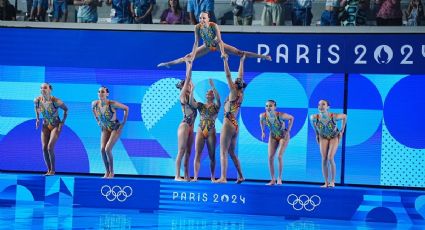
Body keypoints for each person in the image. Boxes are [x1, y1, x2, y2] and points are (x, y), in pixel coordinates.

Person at [157, 11, 272, 68]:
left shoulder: (214, 25)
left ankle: (263, 56)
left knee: (239, 52)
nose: (202, 19)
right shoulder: (197, 27)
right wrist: (192, 55)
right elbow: (196, 42)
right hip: (207, 46)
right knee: (187, 57)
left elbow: (220, 40)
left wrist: (222, 53)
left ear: (208, 18)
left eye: (204, 17)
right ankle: (169, 63)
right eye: (200, 17)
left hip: (217, 45)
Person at [216, 55, 246, 184]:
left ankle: (223, 177)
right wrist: (241, 61)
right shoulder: (240, 94)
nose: (233, 82)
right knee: (232, 152)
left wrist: (225, 61)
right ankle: (241, 176)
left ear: (235, 86)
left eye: (234, 83)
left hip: (228, 123)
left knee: (223, 151)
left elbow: (228, 76)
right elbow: (240, 77)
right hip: (235, 124)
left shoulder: (233, 93)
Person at [92, 86, 129, 178]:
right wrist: (98, 121)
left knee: (107, 149)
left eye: (103, 92)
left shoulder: (112, 104)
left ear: (107, 94)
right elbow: (93, 111)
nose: (100, 93)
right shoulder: (94, 103)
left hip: (115, 128)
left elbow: (126, 108)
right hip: (105, 128)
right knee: (102, 150)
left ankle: (112, 171)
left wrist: (123, 123)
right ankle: (107, 171)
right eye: (99, 92)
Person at [310, 100, 347, 188]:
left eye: (323, 104)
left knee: (330, 157)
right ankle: (326, 182)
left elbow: (345, 116)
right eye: (319, 104)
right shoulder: (314, 117)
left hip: (334, 136)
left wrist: (342, 130)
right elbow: (314, 126)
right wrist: (317, 134)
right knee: (324, 159)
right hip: (323, 137)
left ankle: (332, 181)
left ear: (328, 107)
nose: (321, 106)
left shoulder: (334, 116)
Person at [34, 83, 68, 176]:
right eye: (41, 88)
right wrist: (37, 119)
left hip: (55, 125)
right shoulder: (37, 100)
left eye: (45, 88)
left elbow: (66, 109)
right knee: (44, 148)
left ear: (50, 90)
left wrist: (62, 122)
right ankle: (48, 170)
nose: (42, 89)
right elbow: (36, 108)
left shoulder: (56, 101)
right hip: (45, 125)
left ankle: (53, 170)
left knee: (50, 147)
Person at [190, 79, 221, 182]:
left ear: (212, 95)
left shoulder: (216, 106)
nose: (209, 93)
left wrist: (213, 87)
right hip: (200, 130)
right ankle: (195, 177)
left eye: (210, 92)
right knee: (197, 153)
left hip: (211, 131)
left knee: (212, 155)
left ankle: (212, 177)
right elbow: (191, 103)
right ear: (206, 96)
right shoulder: (200, 105)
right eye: (207, 92)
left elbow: (219, 99)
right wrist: (192, 90)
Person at [259, 100, 293, 185]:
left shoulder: (281, 115)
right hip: (273, 135)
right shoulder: (262, 115)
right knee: (270, 157)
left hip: (283, 135)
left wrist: (288, 130)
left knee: (279, 156)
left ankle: (279, 178)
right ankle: (272, 179)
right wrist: (263, 131)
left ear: (275, 107)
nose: (268, 108)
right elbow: (261, 122)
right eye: (266, 106)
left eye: (270, 106)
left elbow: (291, 118)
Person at [175, 60, 197, 181]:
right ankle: (177, 175)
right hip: (184, 126)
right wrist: (188, 65)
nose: (190, 85)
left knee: (188, 152)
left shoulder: (191, 96)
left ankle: (187, 175)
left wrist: (192, 89)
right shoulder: (182, 95)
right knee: (181, 150)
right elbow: (188, 77)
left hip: (191, 127)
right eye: (187, 85)